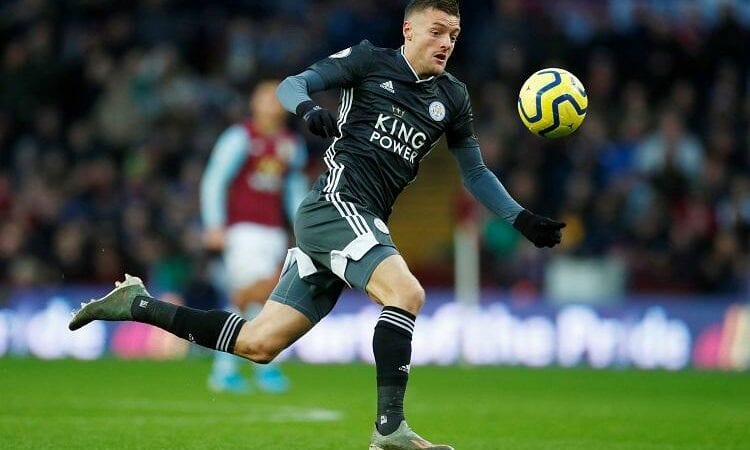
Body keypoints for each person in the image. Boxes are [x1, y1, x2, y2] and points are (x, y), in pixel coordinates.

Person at [69, 1, 564, 448]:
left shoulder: (453, 97)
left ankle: (137, 304)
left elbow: (474, 172)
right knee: (406, 293)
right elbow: (292, 85)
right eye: (437, 31)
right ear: (409, 30)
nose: (446, 43)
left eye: (453, 35)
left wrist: (520, 218)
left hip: (357, 220)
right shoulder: (369, 61)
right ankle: (389, 429)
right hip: (335, 204)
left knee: (259, 343)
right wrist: (307, 108)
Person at [200, 80, 307, 393]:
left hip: (273, 232)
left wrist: (304, 228)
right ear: (254, 103)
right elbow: (215, 179)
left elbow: (294, 191)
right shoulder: (240, 137)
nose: (273, 103)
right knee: (257, 296)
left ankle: (227, 369)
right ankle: (262, 369)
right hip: (243, 230)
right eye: (266, 97)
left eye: (278, 98)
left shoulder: (290, 145)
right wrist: (214, 224)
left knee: (248, 299)